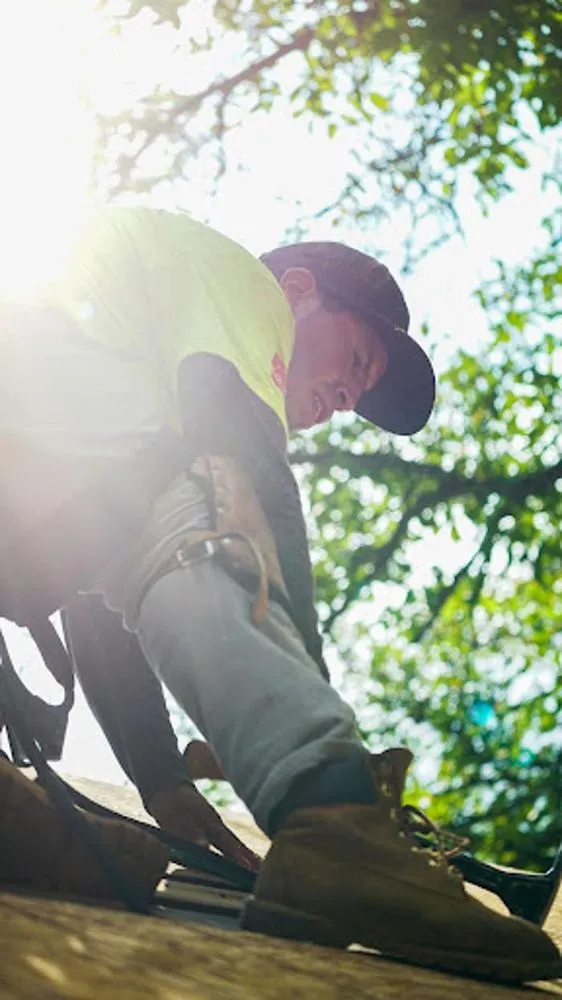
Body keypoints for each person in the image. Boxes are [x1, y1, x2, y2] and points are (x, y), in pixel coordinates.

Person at [0, 206, 559, 983]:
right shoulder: (241, 284)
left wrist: (160, 778)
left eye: (356, 399)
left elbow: (103, 585)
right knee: (218, 494)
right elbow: (244, 484)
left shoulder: (117, 407)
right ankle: (335, 824)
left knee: (158, 505)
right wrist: (341, 785)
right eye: (358, 361)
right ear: (297, 292)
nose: (344, 400)